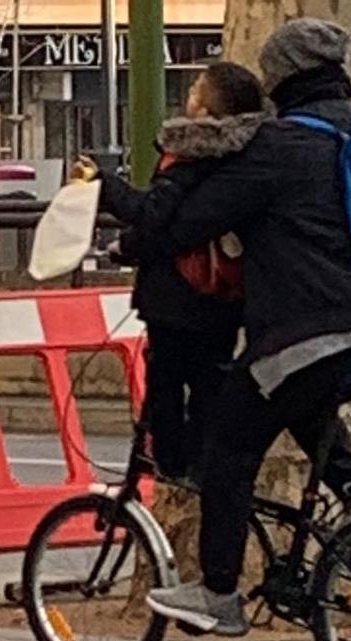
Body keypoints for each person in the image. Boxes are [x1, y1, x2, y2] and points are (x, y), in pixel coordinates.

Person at [142, 18, 351, 637]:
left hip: (312, 329)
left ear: (281, 77)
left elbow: (192, 224)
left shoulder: (278, 145)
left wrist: (140, 218)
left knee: (227, 445)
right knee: (300, 398)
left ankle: (218, 595)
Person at [72, 62, 267, 482]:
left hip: (177, 298)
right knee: (209, 381)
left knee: (165, 380)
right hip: (226, 295)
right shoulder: (248, 155)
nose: (190, 93)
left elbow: (154, 215)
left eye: (197, 87)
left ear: (204, 108)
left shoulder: (190, 153)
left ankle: (172, 463)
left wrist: (106, 185)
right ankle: (203, 463)